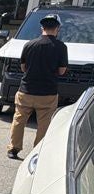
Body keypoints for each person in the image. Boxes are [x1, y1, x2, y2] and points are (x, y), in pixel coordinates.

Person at [7, 12, 68, 160]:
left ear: (42, 27)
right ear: (57, 28)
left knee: (19, 119)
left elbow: (23, 67)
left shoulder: (29, 44)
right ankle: (37, 153)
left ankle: (13, 149)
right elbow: (61, 70)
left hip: (26, 90)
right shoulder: (61, 47)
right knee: (44, 124)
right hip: (48, 92)